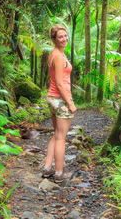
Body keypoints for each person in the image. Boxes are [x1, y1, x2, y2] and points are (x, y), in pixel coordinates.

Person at [42, 24, 76, 183]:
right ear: (54, 39)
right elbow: (60, 83)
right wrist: (70, 103)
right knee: (61, 137)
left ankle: (48, 168)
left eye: (65, 35)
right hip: (60, 99)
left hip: (52, 99)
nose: (64, 39)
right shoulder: (57, 56)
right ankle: (59, 173)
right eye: (60, 37)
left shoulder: (56, 54)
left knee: (56, 135)